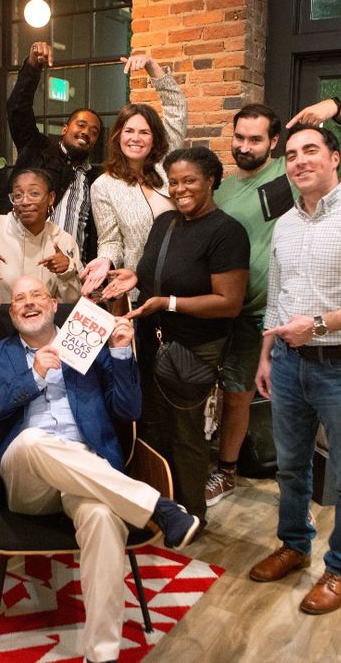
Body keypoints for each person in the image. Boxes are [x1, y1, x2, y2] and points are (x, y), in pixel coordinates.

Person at [0, 275, 200, 663]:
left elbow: (129, 411)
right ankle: (157, 507)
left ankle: (101, 655)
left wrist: (123, 353)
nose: (27, 303)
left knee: (103, 516)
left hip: (87, 473)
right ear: (12, 311)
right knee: (31, 441)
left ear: (54, 303)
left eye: (36, 295)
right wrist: (34, 377)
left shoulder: (86, 341)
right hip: (27, 477)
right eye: (19, 299)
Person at [250, 124, 341, 614]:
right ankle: (295, 546)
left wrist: (316, 325)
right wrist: (266, 356)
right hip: (289, 366)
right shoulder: (287, 224)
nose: (299, 162)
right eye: (291, 154)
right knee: (291, 467)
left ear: (335, 158)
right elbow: (278, 298)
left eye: (310, 150)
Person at [204, 99, 341, 508]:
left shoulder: (291, 173)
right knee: (225, 393)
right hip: (221, 309)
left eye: (255, 139)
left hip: (271, 316)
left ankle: (231, 474)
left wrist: (336, 108)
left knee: (243, 393)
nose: (245, 146)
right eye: (239, 137)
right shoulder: (223, 189)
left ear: (274, 141)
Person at [105, 146, 249, 523]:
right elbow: (157, 274)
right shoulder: (165, 223)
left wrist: (166, 303)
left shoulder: (227, 232)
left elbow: (228, 302)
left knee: (185, 435)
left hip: (192, 349)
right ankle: (158, 507)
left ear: (211, 180)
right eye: (174, 182)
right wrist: (133, 278)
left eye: (190, 181)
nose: (180, 189)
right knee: (151, 426)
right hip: (151, 342)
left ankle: (191, 517)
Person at [81, 53, 187, 294]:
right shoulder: (104, 186)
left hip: (183, 282)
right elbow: (110, 241)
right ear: (118, 136)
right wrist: (105, 261)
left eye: (144, 132)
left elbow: (176, 110)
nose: (136, 138)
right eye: (129, 131)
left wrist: (153, 67)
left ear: (154, 139)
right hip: (139, 288)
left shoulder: (167, 164)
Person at [0, 41, 102, 263]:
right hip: (21, 258)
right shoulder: (37, 148)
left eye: (94, 131)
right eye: (80, 125)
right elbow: (17, 109)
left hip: (69, 269)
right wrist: (32, 66)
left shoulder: (95, 179)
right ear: (65, 129)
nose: (86, 132)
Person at [0, 167, 82, 303]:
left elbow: (73, 302)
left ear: (51, 198)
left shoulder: (63, 240)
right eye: (18, 195)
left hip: (42, 320)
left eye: (34, 194)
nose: (25, 201)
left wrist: (66, 272)